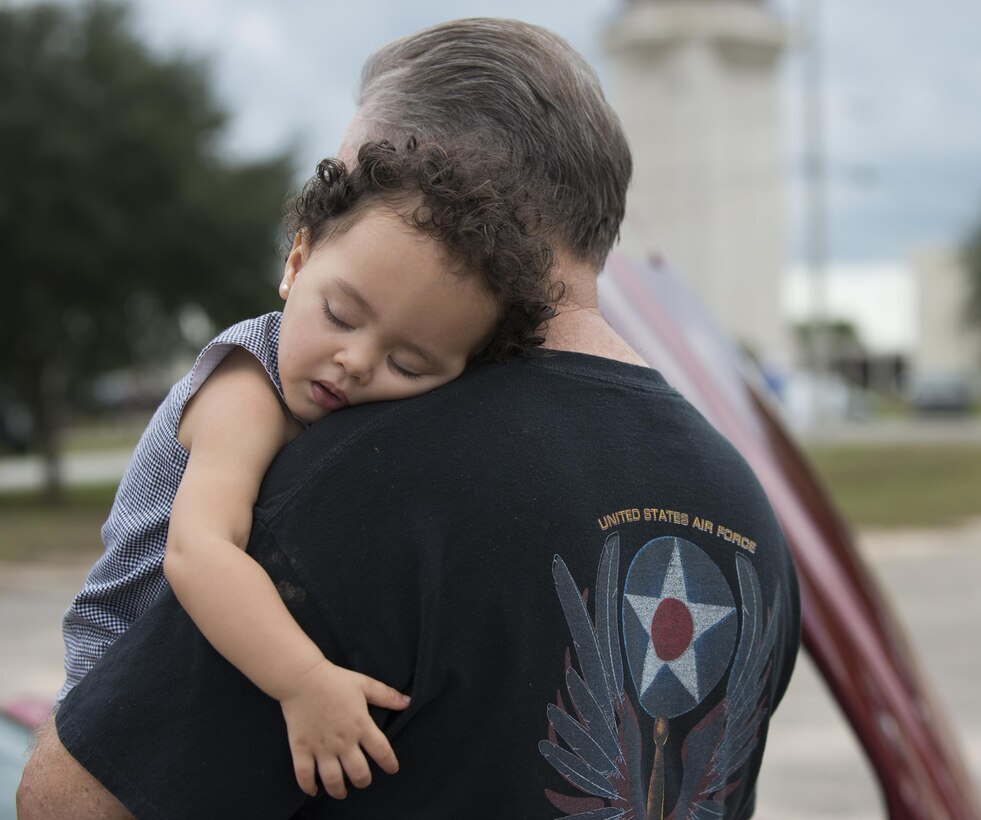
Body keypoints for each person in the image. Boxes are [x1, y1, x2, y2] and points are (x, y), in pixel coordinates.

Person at [18, 18, 800, 820]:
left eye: (359, 174)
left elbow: (72, 804)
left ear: (442, 191)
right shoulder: (746, 509)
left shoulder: (378, 472)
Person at [55, 136, 557, 798]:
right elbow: (199, 550)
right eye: (340, 315)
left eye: (407, 365)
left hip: (211, 666)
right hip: (118, 679)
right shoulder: (247, 383)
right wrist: (304, 681)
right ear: (297, 261)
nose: (354, 361)